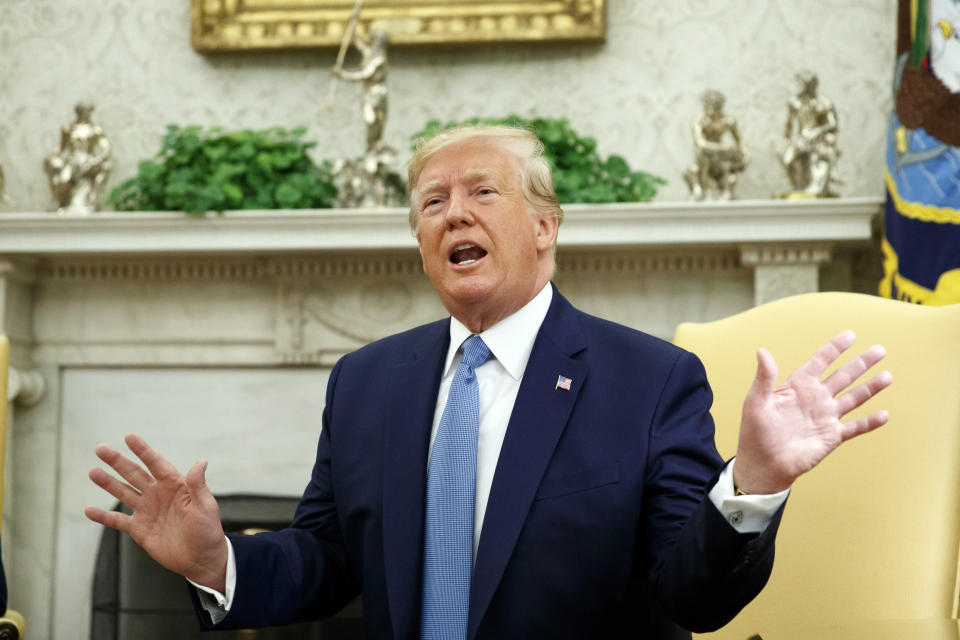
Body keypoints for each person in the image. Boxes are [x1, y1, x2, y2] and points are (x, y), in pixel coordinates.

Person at [86, 125, 891, 639]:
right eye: (431, 202)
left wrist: (751, 482)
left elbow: (691, 597)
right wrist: (217, 560)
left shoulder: (650, 380)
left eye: (481, 192)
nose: (452, 214)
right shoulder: (366, 382)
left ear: (544, 228)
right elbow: (330, 561)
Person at [780, 71, 840, 197]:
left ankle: (817, 186)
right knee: (787, 158)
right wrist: (787, 141)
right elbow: (789, 125)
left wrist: (817, 132)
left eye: (799, 84)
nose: (796, 87)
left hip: (819, 140)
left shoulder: (824, 103)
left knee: (818, 156)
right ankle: (798, 187)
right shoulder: (794, 103)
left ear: (808, 85)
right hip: (802, 139)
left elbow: (833, 124)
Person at [683, 90, 747, 201]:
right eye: (708, 105)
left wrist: (745, 154)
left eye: (715, 105)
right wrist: (724, 148)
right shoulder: (700, 121)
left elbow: (740, 142)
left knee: (727, 167)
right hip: (705, 157)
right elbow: (701, 144)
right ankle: (702, 190)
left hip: (720, 159)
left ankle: (725, 191)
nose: (710, 108)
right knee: (702, 159)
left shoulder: (728, 121)